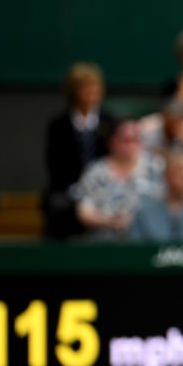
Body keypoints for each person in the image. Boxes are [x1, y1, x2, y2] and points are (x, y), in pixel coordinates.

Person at [44, 62, 115, 239]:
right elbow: (55, 165)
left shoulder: (110, 121)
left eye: (96, 86)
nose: (92, 91)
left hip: (106, 188)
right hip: (70, 190)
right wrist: (79, 190)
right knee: (57, 206)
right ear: (73, 91)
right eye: (86, 87)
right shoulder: (59, 125)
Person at [74, 119, 164, 241]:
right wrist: (108, 221)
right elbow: (83, 212)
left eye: (136, 139)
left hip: (147, 241)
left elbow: (169, 206)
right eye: (126, 140)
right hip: (104, 243)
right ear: (111, 141)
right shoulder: (95, 172)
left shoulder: (156, 168)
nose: (132, 145)